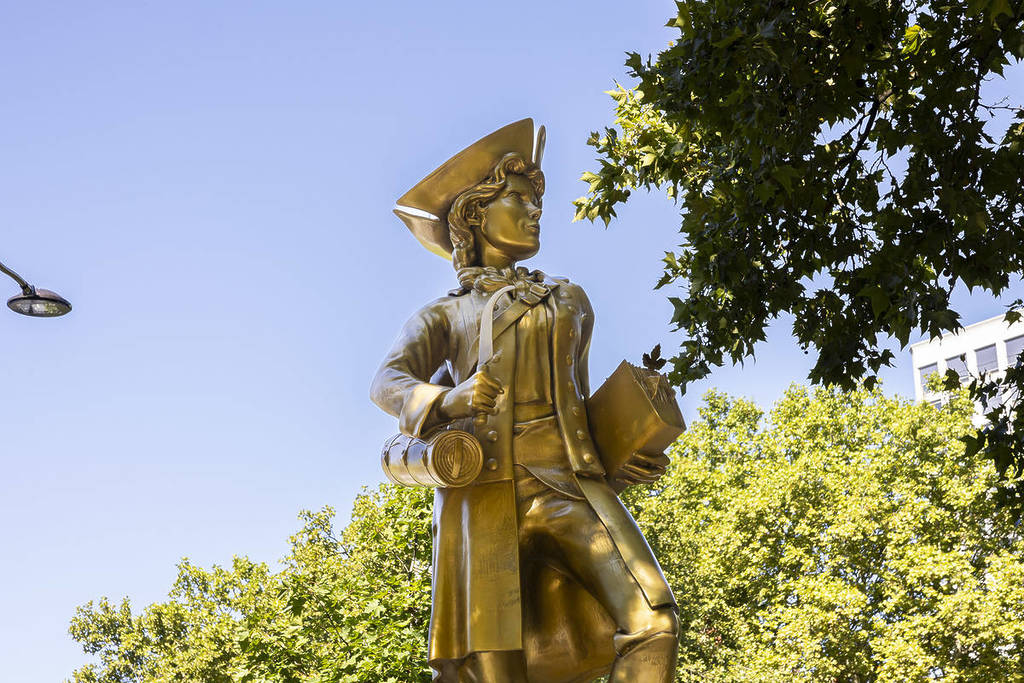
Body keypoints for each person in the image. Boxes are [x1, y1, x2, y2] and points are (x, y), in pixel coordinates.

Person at [371, 119, 678, 683]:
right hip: (485, 496)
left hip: (571, 485)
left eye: (537, 200)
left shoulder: (569, 300)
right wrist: (447, 398)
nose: (536, 210)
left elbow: (577, 403)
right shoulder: (444, 314)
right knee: (495, 672)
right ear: (474, 214)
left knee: (653, 622)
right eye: (519, 198)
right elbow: (388, 381)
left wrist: (621, 454)